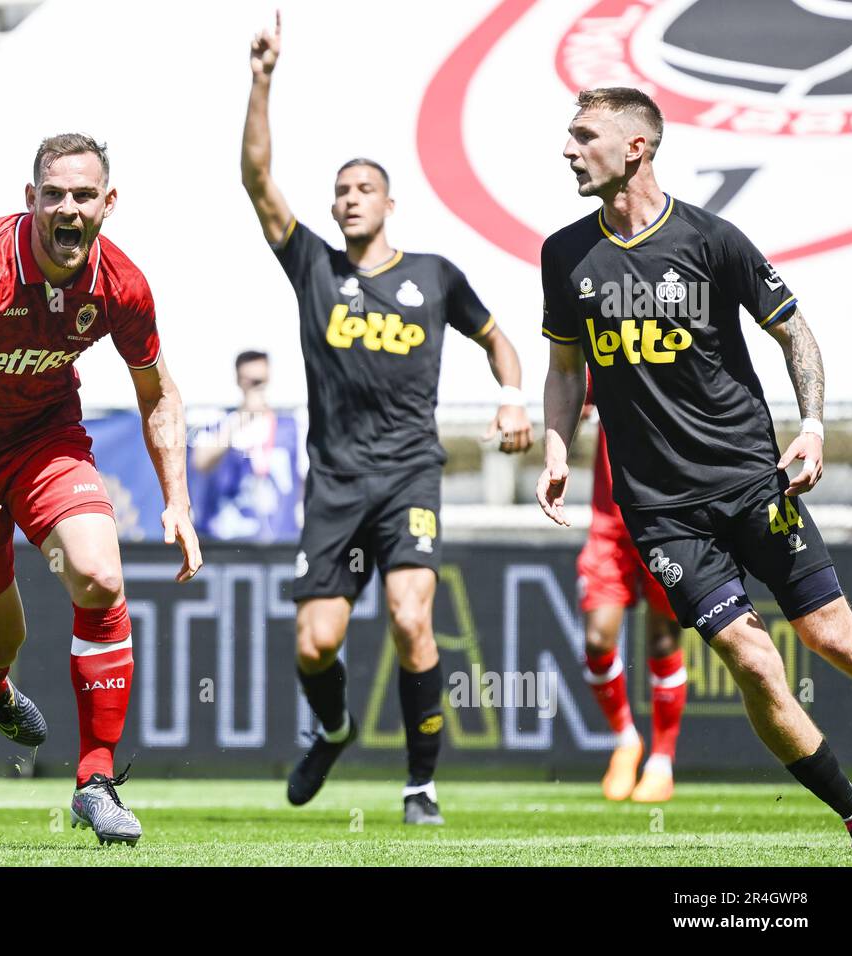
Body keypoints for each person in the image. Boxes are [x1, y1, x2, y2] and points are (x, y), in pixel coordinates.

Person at [538, 87, 852, 848]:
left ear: (636, 148)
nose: (568, 150)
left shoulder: (713, 241)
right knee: (751, 659)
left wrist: (812, 424)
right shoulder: (564, 253)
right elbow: (562, 367)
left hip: (752, 483)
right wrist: (557, 441)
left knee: (832, 638)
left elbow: (796, 333)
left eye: (584, 135)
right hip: (661, 513)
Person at [242, 12, 533, 824]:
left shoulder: (435, 276)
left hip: (409, 472)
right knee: (316, 644)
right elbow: (259, 181)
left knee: (411, 618)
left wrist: (513, 396)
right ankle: (334, 728)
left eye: (363, 188)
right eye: (339, 191)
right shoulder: (312, 267)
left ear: (390, 203)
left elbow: (500, 340)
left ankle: (420, 784)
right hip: (336, 480)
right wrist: (262, 79)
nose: (347, 199)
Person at [0, 133, 202, 847]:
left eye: (83, 196)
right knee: (5, 636)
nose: (68, 208)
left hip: (44, 442)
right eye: (52, 194)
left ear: (108, 204)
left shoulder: (121, 285)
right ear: (30, 200)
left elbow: (159, 395)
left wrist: (177, 499)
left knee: (97, 574)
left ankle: (95, 781)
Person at [577, 379, 685, 803]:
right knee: (597, 638)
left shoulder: (679, 343)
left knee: (662, 641)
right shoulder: (603, 338)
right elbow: (572, 391)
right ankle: (626, 738)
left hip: (667, 520)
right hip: (609, 524)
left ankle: (662, 761)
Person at [190, 350, 300, 542]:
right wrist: (241, 417)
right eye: (249, 382)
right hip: (226, 539)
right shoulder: (221, 423)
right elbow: (200, 462)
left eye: (260, 382)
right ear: (238, 381)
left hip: (279, 539)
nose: (255, 388)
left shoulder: (290, 426)